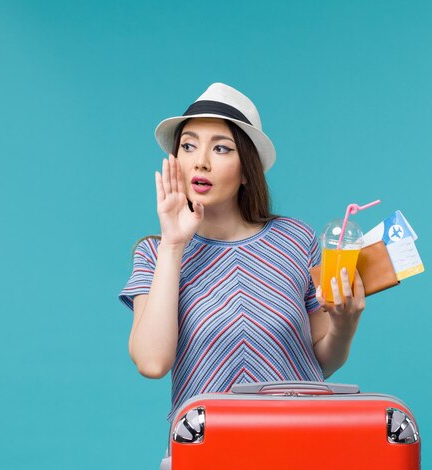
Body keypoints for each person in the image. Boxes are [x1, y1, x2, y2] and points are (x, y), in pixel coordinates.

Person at [118, 83, 366, 462]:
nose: (200, 161)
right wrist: (173, 244)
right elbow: (152, 362)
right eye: (188, 145)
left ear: (247, 170)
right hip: (208, 450)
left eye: (221, 148)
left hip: (302, 445)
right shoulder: (154, 253)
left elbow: (320, 362)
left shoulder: (296, 239)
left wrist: (344, 327)